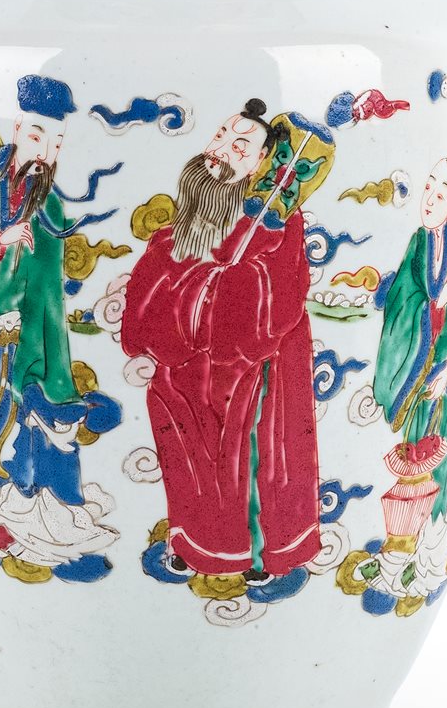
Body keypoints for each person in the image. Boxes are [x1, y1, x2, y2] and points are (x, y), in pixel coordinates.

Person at [120, 99, 324, 590]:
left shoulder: (276, 222)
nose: (220, 151)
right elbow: (160, 271)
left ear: (261, 165)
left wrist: (218, 288)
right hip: (185, 367)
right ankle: (197, 543)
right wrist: (162, 319)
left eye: (240, 146)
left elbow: (278, 294)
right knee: (186, 452)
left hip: (250, 366)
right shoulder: (191, 217)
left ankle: (259, 552)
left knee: (249, 461)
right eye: (220, 137)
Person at [0, 73, 120, 580]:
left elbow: (49, 298)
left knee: (28, 420)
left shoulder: (48, 203)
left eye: (56, 143)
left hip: (28, 337)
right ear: (17, 129)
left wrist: (45, 358)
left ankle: (30, 515)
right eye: (37, 136)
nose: (45, 152)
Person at [372, 155, 447, 535]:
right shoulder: (418, 243)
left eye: (441, 193)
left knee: (443, 452)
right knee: (414, 454)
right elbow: (400, 302)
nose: (429, 199)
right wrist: (431, 305)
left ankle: (437, 531)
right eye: (428, 188)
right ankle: (403, 538)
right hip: (419, 372)